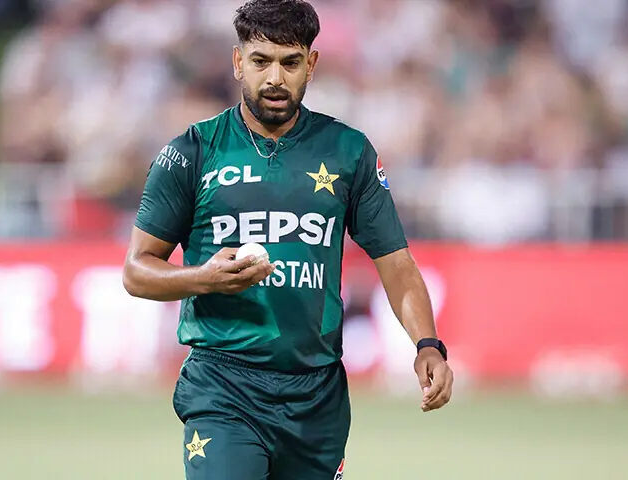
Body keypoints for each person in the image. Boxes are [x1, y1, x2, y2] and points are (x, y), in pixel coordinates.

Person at [123, 1, 454, 478]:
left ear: (311, 65)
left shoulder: (348, 152)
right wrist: (205, 279)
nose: (275, 78)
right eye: (261, 61)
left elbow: (397, 264)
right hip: (223, 387)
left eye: (290, 62)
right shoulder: (192, 152)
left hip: (317, 398)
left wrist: (428, 344)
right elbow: (137, 270)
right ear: (238, 62)